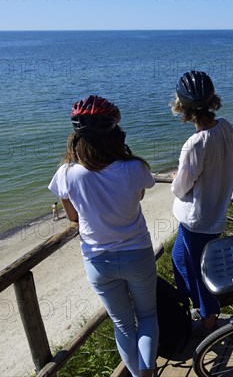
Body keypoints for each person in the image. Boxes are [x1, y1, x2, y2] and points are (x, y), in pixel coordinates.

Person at [48, 95, 158, 377]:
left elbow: (73, 217)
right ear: (115, 134)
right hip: (137, 254)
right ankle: (148, 372)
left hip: (98, 260)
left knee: (123, 326)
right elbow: (140, 194)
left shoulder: (67, 173)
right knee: (147, 316)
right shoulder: (135, 167)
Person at [170, 71, 233, 332]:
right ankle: (201, 309)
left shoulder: (194, 144)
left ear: (183, 108)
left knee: (199, 272)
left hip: (196, 219)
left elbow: (181, 188)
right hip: (215, 214)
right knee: (180, 260)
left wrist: (178, 179)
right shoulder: (225, 126)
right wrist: (220, 176)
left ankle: (208, 319)